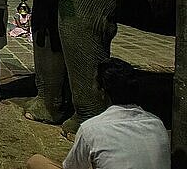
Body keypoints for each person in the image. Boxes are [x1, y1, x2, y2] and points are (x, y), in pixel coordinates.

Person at [26, 58, 170, 169]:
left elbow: (72, 167)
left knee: (36, 161)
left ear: (102, 92)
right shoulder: (157, 123)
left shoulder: (91, 129)